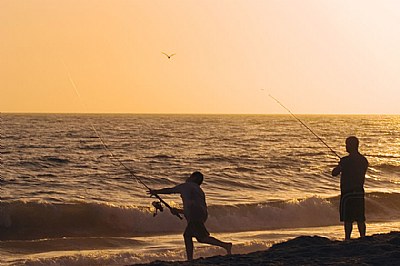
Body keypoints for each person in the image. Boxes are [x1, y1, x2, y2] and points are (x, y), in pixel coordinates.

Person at [149, 171, 232, 261]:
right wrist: (178, 211)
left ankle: (225, 245)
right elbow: (193, 207)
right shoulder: (199, 190)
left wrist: (155, 191)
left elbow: (170, 190)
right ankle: (191, 258)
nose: (188, 177)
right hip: (200, 214)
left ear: (194, 178)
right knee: (196, 237)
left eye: (190, 176)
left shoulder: (187, 185)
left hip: (196, 214)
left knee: (198, 237)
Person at [332, 136, 368, 240]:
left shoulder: (345, 161)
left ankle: (347, 238)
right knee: (360, 219)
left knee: (348, 220)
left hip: (347, 194)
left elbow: (334, 173)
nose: (346, 147)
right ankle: (363, 237)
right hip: (359, 193)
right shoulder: (363, 160)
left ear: (351, 146)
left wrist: (341, 164)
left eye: (347, 144)